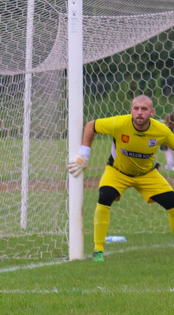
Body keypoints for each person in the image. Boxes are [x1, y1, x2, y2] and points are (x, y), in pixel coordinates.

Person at [67, 95, 174, 261]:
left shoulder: (161, 131)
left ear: (152, 112)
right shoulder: (119, 123)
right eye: (136, 109)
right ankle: (98, 251)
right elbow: (90, 126)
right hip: (117, 172)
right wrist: (84, 155)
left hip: (147, 174)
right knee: (105, 197)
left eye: (144, 109)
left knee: (172, 202)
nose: (139, 113)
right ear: (131, 110)